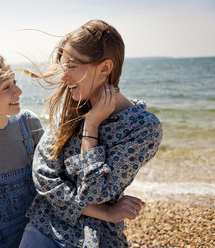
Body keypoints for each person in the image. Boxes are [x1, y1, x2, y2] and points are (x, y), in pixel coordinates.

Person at [0, 52, 146, 248]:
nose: (18, 92)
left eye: (15, 82)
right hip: (1, 241)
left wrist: (106, 210)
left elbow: (55, 184)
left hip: (45, 231)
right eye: (7, 87)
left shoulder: (28, 124)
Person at [19, 20, 163, 248]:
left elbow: (93, 193)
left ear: (105, 68)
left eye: (72, 66)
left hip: (97, 239)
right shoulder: (69, 107)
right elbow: (43, 177)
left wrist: (91, 127)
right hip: (46, 228)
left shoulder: (143, 128)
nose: (64, 77)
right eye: (63, 67)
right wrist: (105, 212)